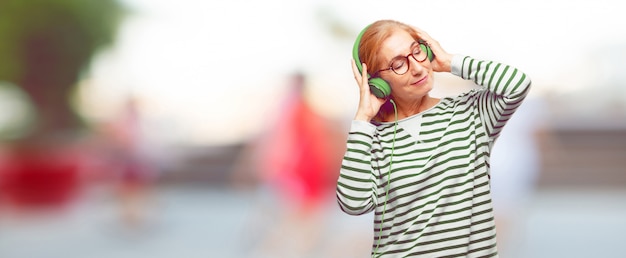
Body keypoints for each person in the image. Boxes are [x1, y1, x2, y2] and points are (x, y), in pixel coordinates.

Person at [336, 19, 531, 257]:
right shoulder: (372, 137)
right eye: (398, 64)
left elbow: (517, 85)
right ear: (377, 83)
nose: (417, 68)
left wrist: (449, 62)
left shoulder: (471, 112)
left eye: (417, 51)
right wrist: (362, 120)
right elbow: (354, 204)